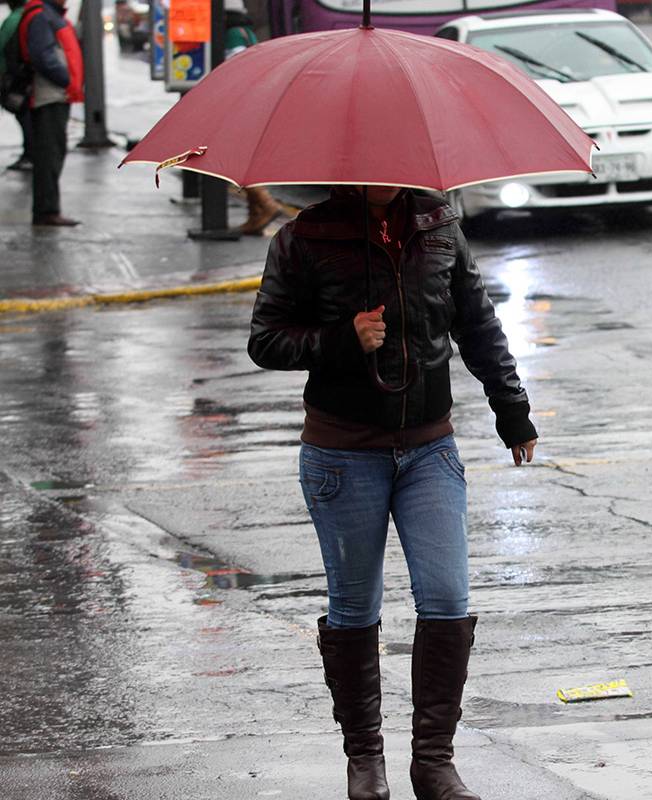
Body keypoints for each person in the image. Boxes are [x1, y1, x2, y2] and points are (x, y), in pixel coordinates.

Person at [247, 185, 538, 800]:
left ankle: (433, 762)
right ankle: (365, 761)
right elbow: (266, 340)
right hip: (343, 452)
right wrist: (341, 337)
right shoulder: (304, 238)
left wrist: (511, 408)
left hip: (430, 447)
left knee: (448, 599)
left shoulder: (438, 228)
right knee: (355, 608)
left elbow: (478, 323)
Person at [15, 0, 81, 226]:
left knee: (53, 151)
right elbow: (42, 55)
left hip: (56, 94)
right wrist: (66, 80)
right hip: (49, 95)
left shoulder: (49, 14)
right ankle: (46, 210)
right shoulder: (42, 16)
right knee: (49, 154)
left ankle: (48, 208)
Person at [224, 7, 286, 235]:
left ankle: (266, 204)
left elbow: (236, 64)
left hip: (240, 102)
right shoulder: (246, 31)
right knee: (243, 156)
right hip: (252, 102)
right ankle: (256, 215)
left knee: (234, 158)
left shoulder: (232, 34)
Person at [0, 0, 33, 172]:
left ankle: (29, 154)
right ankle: (30, 153)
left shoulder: (13, 19)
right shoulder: (27, 15)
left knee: (23, 114)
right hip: (25, 76)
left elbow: (2, 46)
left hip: (15, 77)